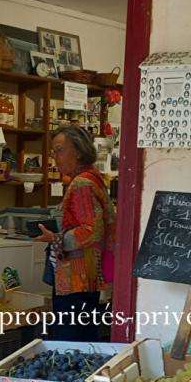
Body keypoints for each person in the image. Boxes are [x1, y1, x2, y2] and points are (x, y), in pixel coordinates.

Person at [35, 126, 116, 341]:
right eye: (53, 151)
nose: (55, 157)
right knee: (84, 336)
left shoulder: (81, 183)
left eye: (60, 150)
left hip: (76, 279)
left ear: (78, 151)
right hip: (87, 276)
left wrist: (56, 238)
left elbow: (91, 231)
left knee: (70, 340)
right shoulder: (94, 178)